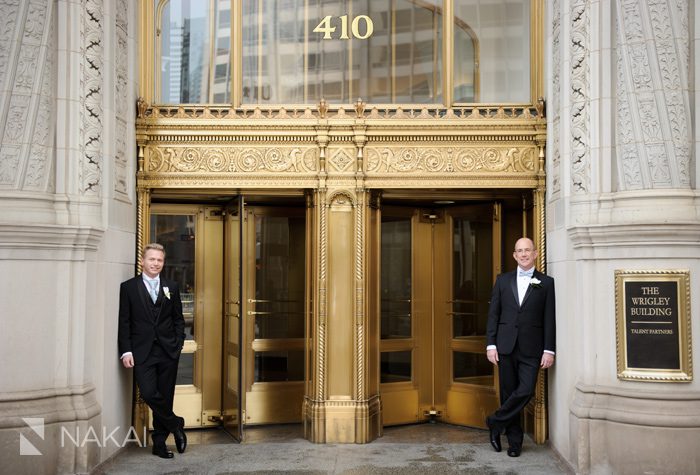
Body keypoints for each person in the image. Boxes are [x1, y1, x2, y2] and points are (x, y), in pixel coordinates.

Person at [485, 237, 555, 457]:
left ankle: (494, 421)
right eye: (519, 251)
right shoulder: (502, 281)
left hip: (532, 348)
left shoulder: (546, 282)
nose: (524, 254)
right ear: (514, 255)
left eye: (527, 250)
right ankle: (514, 443)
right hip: (505, 346)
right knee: (508, 394)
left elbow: (549, 318)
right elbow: (493, 315)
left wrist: (549, 349)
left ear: (535, 254)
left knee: (525, 390)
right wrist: (491, 344)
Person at [118, 243, 187, 459]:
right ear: (143, 261)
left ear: (163, 262)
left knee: (165, 397)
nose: (156, 263)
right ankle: (176, 424)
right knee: (148, 393)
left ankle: (159, 445)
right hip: (142, 352)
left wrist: (178, 343)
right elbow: (124, 322)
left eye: (159, 260)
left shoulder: (172, 287)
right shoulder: (128, 287)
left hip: (168, 351)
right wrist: (126, 351)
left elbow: (178, 319)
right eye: (152, 259)